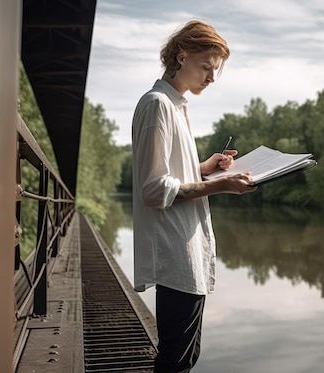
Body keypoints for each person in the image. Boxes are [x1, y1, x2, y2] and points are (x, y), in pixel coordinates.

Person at [131, 19, 257, 372]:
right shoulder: (158, 106)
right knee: (176, 360)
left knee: (185, 356)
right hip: (176, 254)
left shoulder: (175, 106)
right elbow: (154, 189)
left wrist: (205, 168)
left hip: (186, 254)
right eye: (207, 67)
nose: (212, 78)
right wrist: (220, 185)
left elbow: (169, 174)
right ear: (181, 56)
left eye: (215, 70)